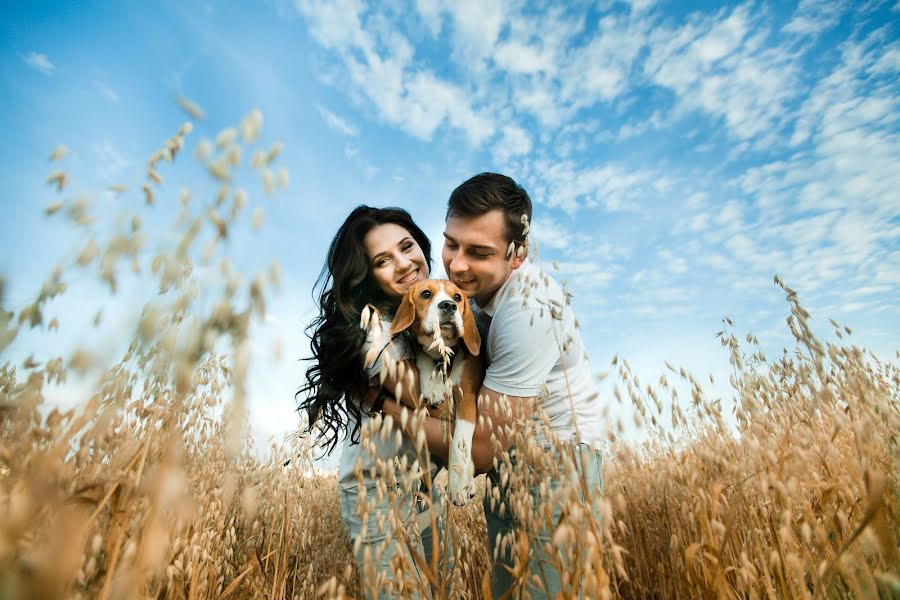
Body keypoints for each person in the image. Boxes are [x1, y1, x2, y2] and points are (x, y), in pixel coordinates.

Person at [380, 173, 605, 597]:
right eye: (451, 244)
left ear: (517, 254)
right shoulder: (470, 301)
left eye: (478, 252)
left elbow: (480, 451)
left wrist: (382, 403)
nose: (458, 264)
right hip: (509, 464)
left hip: (557, 464)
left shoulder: (528, 309)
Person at [296, 205, 449, 598]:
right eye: (383, 261)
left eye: (407, 246)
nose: (403, 264)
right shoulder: (372, 326)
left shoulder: (429, 311)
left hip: (426, 486)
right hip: (375, 490)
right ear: (367, 276)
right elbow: (431, 405)